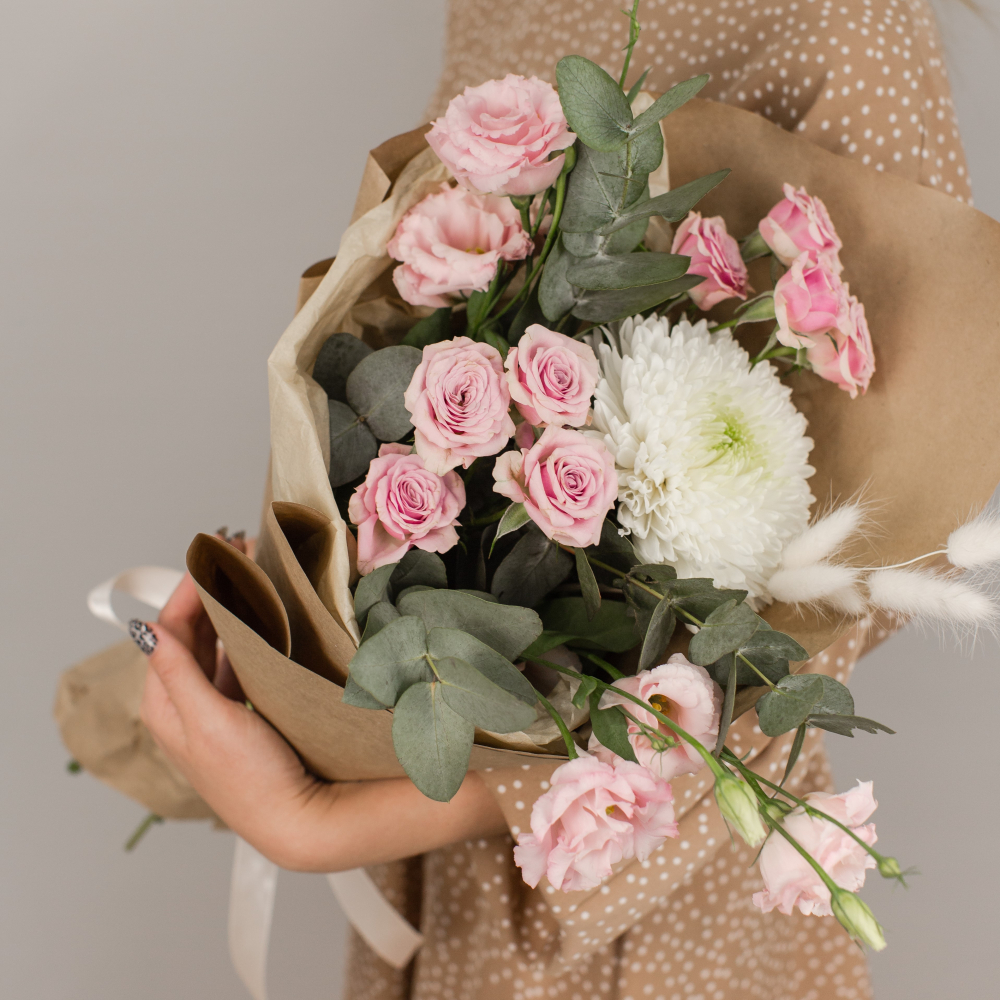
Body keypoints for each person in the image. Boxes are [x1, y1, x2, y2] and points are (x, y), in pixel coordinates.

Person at [137, 3, 972, 997]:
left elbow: (815, 611)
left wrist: (326, 820)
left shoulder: (843, 29)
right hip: (444, 834)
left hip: (631, 897)